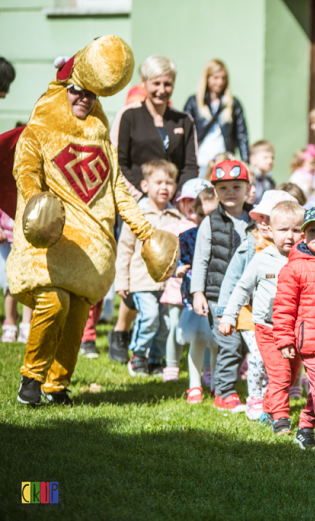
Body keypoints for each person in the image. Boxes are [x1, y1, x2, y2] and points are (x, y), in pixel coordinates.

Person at [10, 35, 177, 406]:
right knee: (54, 304)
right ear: (61, 88)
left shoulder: (103, 142)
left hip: (90, 254)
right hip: (50, 244)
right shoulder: (38, 132)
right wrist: (38, 205)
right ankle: (31, 379)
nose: (83, 98)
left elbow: (118, 190)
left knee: (76, 316)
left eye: (90, 94)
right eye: (75, 91)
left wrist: (146, 232)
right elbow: (26, 173)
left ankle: (57, 385)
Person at [220, 201, 304, 429]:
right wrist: (229, 316)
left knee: (291, 374)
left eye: (296, 230)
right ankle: (281, 419)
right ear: (269, 230)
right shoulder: (262, 259)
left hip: (297, 329)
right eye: (283, 230)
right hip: (268, 328)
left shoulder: (306, 260)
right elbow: (241, 288)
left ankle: (268, 409)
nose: (290, 236)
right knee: (281, 375)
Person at [273, 206, 315, 454]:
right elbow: (283, 307)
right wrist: (284, 339)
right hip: (310, 343)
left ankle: (305, 429)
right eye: (312, 230)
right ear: (303, 236)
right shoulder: (293, 268)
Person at [190, 159, 253, 411]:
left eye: (236, 187)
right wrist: (198, 292)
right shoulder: (210, 222)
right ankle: (225, 393)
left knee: (242, 345)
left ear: (247, 188)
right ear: (215, 191)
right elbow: (201, 260)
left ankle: (241, 389)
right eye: (223, 188)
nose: (230, 192)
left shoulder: (257, 219)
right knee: (228, 342)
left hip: (249, 296)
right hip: (218, 295)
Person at [115, 160, 183, 376]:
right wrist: (122, 281)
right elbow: (124, 249)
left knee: (165, 324)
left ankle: (155, 359)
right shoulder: (137, 216)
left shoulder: (176, 216)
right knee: (150, 317)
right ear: (145, 186)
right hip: (141, 280)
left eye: (170, 182)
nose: (165, 187)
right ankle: (137, 356)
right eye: (159, 182)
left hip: (168, 284)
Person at [116, 55, 198, 193]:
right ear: (143, 81)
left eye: (167, 84)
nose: (162, 90)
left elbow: (190, 166)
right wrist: (140, 196)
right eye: (156, 83)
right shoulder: (129, 117)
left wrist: (178, 197)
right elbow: (120, 164)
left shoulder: (184, 120)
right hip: (137, 201)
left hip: (174, 204)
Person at [160, 178, 211, 382]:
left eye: (196, 200)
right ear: (181, 203)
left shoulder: (212, 229)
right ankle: (171, 365)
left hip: (203, 290)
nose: (192, 205)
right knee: (175, 327)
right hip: (176, 289)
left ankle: (207, 369)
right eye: (188, 200)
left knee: (205, 331)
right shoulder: (176, 229)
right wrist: (176, 269)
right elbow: (165, 256)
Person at [176, 187, 219, 403]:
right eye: (200, 215)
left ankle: (216, 383)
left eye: (211, 216)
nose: (205, 220)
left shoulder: (224, 237)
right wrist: (179, 269)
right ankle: (195, 385)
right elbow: (179, 261)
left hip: (218, 296)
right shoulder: (187, 237)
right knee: (199, 339)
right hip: (195, 297)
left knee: (218, 342)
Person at [183, 59, 249, 174]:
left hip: (223, 162)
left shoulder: (233, 104)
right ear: (207, 78)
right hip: (200, 161)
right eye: (215, 78)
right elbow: (185, 133)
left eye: (223, 78)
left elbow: (242, 135)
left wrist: (246, 161)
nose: (220, 82)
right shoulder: (194, 102)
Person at [1, 209, 32, 343]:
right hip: (6, 240)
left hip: (27, 239)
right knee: (9, 286)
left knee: (28, 285)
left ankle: (26, 326)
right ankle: (10, 325)